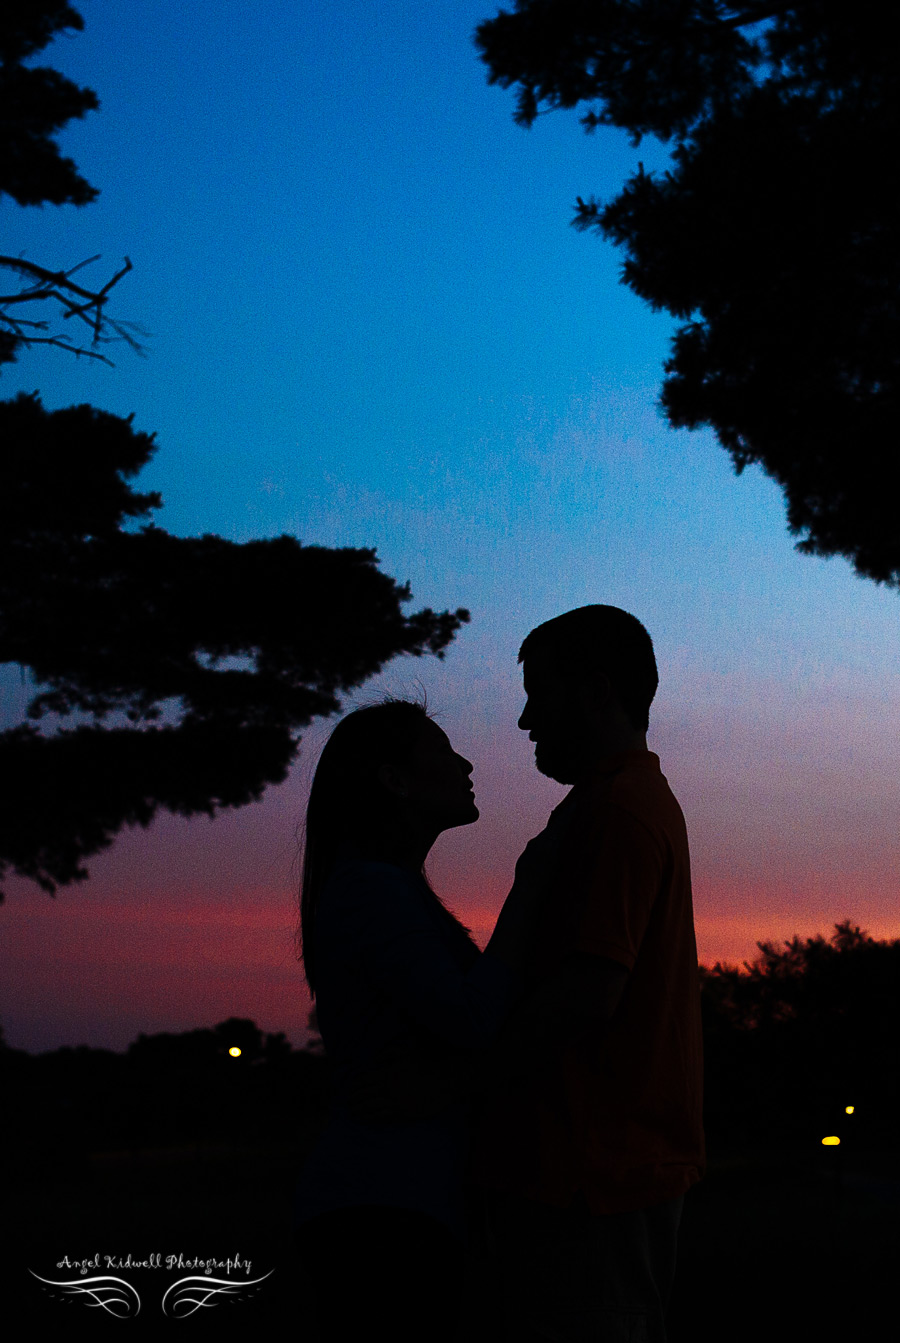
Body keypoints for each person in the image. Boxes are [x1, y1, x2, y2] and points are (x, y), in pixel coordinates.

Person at [463, 604, 706, 1342]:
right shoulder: (620, 803)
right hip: (597, 1171)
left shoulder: (619, 812)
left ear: (596, 691)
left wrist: (468, 1079)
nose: (525, 720)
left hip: (593, 1177)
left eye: (539, 693)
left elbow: (588, 992)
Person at [292, 699, 561, 1343]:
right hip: (383, 1208)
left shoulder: (386, 889)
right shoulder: (372, 890)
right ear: (395, 780)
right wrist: (529, 891)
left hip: (398, 1203)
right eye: (443, 752)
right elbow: (471, 1020)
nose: (466, 764)